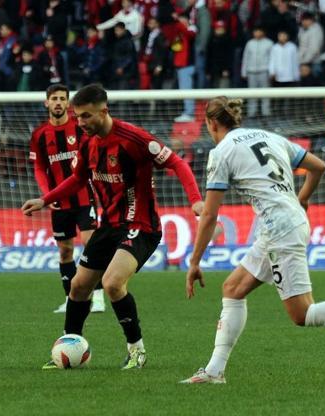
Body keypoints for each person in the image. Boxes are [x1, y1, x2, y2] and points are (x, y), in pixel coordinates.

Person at [181, 97, 325, 384]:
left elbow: (209, 215)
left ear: (211, 123)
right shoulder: (269, 137)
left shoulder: (222, 152)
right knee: (233, 288)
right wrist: (302, 198)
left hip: (280, 229)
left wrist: (194, 262)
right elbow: (319, 166)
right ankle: (214, 371)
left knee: (302, 313)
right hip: (284, 224)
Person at [22, 84, 204, 370]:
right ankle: (69, 346)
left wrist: (195, 200)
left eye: (86, 116)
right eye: (77, 116)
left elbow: (177, 163)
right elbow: (78, 179)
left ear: (104, 111)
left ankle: (137, 351)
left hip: (141, 225)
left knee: (112, 283)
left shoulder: (134, 139)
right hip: (108, 225)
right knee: (78, 286)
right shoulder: (88, 142)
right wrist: (45, 199)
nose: (80, 122)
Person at [29, 84, 105, 316]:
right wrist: (46, 195)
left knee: (91, 245)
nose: (58, 103)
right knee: (65, 252)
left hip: (83, 197)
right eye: (54, 99)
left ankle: (98, 297)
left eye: (63, 98)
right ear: (47, 102)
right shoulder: (40, 134)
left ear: (68, 103)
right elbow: (39, 168)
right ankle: (69, 299)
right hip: (58, 202)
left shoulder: (80, 128)